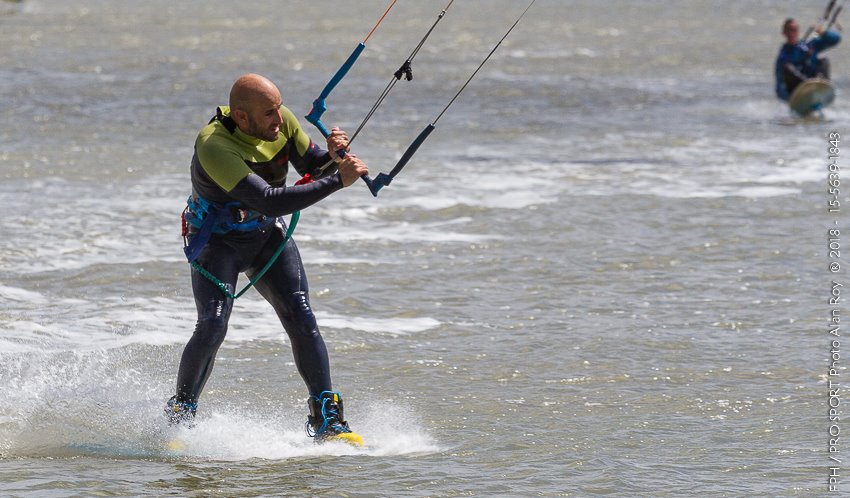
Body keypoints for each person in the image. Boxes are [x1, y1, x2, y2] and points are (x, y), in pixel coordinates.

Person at [165, 73, 368, 444]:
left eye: (279, 110)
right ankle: (180, 413)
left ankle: (327, 418)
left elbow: (314, 163)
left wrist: (334, 156)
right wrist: (338, 181)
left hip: (263, 235)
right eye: (269, 114)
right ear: (242, 118)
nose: (280, 119)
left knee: (300, 312)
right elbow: (271, 200)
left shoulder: (281, 119)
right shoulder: (214, 145)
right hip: (217, 241)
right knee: (212, 325)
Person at [775, 18, 841, 101]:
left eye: (794, 30)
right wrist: (789, 99)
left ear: (798, 31)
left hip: (815, 84)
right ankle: (807, 88)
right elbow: (779, 86)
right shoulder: (783, 56)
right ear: (784, 33)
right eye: (789, 30)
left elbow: (836, 39)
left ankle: (822, 88)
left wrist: (824, 33)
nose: (792, 33)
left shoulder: (808, 45)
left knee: (824, 61)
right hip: (798, 91)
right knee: (787, 68)